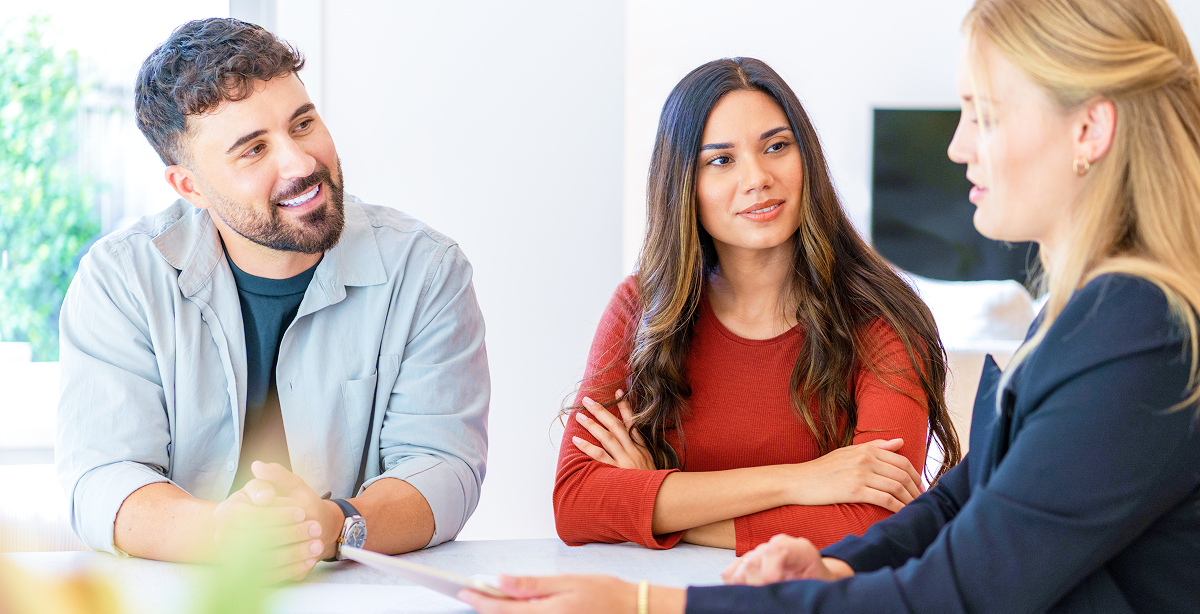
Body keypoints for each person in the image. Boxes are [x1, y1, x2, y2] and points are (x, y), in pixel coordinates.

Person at [462, 0, 1200, 611]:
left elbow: (957, 583)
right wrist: (832, 552)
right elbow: (955, 506)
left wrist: (650, 594)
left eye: (985, 115)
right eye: (719, 160)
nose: (956, 146)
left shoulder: (1136, 330)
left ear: (1090, 130)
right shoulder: (1083, 315)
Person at [56, 18, 489, 582]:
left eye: (303, 123)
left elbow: (445, 468)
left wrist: (332, 525)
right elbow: (101, 477)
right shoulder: (121, 278)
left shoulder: (428, 269)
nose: (300, 163)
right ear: (190, 187)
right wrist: (226, 536)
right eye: (253, 149)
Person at [552, 57, 961, 557]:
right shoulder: (643, 307)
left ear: (806, 157)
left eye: (776, 146)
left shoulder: (882, 318)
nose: (758, 177)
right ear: (684, 184)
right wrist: (803, 481)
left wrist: (663, 503)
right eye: (721, 160)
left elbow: (875, 522)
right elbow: (577, 501)